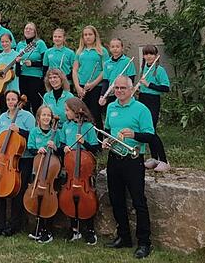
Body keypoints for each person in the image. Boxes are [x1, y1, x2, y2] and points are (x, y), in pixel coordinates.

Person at [103, 75, 154, 259]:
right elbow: (109, 131)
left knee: (138, 202)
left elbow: (150, 135)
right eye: (116, 88)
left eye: (122, 88)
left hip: (133, 159)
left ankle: (144, 242)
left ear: (131, 89)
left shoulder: (141, 109)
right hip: (114, 158)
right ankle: (124, 236)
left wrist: (134, 134)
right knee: (116, 200)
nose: (119, 91)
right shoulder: (111, 107)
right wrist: (107, 141)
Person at [0, 90, 35, 237]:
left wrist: (19, 130)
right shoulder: (2, 116)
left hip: (23, 159)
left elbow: (33, 136)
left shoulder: (27, 116)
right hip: (4, 159)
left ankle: (14, 225)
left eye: (13, 99)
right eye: (8, 99)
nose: (10, 102)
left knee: (17, 192)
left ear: (18, 100)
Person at [58, 98, 100, 245]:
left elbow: (96, 148)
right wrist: (64, 148)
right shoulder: (66, 126)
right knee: (70, 197)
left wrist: (84, 143)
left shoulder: (88, 127)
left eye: (67, 110)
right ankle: (74, 228)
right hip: (71, 168)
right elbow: (62, 142)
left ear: (76, 111)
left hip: (84, 169)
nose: (65, 113)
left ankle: (89, 229)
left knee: (87, 199)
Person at [25, 104, 60, 244]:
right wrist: (38, 150)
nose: (46, 117)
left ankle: (48, 230)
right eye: (43, 115)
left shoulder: (56, 132)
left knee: (48, 200)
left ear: (52, 118)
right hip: (38, 171)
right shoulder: (34, 131)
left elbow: (60, 151)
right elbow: (30, 148)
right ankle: (38, 228)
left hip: (51, 171)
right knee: (38, 198)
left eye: (48, 115)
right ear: (38, 118)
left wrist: (55, 147)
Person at [136, 45, 171, 172]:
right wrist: (139, 88)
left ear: (156, 56)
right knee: (146, 130)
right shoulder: (143, 68)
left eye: (151, 54)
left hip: (153, 100)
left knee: (151, 132)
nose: (148, 56)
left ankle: (164, 161)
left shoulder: (159, 70)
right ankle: (154, 158)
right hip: (143, 99)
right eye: (146, 54)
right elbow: (143, 85)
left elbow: (166, 88)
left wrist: (149, 84)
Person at [73, 25, 107, 128]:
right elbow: (75, 70)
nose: (87, 37)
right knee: (83, 115)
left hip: (96, 87)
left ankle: (99, 140)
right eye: (85, 35)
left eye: (90, 34)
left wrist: (93, 84)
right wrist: (78, 87)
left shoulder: (102, 51)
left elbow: (105, 70)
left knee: (95, 115)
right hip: (82, 87)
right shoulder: (79, 52)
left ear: (95, 36)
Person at [17, 23, 47, 113]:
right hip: (22, 76)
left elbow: (45, 62)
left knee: (35, 103)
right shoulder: (20, 44)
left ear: (35, 32)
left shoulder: (40, 43)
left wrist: (33, 63)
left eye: (30, 29)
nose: (28, 30)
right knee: (24, 103)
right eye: (26, 28)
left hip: (36, 77)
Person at [99, 38, 137, 107]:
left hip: (124, 94)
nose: (115, 49)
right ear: (109, 49)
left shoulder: (128, 61)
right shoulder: (107, 63)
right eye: (112, 47)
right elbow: (105, 81)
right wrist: (102, 95)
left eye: (117, 46)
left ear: (122, 48)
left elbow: (131, 80)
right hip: (111, 93)